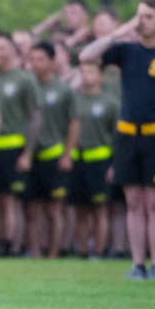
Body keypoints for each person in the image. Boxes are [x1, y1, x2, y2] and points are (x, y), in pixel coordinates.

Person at [79, 0, 155, 280]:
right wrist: (119, 32)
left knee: (154, 202)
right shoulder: (126, 50)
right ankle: (137, 264)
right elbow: (86, 56)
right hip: (127, 135)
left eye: (149, 17)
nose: (142, 21)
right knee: (133, 202)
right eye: (139, 16)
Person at [0, 32, 41, 257]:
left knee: (10, 201)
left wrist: (27, 153)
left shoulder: (24, 79)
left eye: (1, 48)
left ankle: (11, 246)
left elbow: (35, 117)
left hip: (13, 146)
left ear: (12, 51)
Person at [23, 41, 76, 259]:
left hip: (53, 155)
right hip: (28, 157)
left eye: (40, 59)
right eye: (32, 59)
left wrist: (67, 154)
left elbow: (73, 123)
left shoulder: (63, 90)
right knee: (31, 210)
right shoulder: (26, 86)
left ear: (52, 61)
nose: (35, 64)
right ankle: (34, 253)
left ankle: (54, 254)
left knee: (54, 210)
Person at [66, 61, 119, 258]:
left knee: (100, 209)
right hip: (77, 160)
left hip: (99, 161)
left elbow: (117, 137)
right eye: (82, 71)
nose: (85, 75)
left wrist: (114, 165)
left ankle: (98, 250)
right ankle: (81, 249)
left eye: (90, 71)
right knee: (80, 210)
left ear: (101, 77)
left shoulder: (110, 102)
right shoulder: (73, 100)